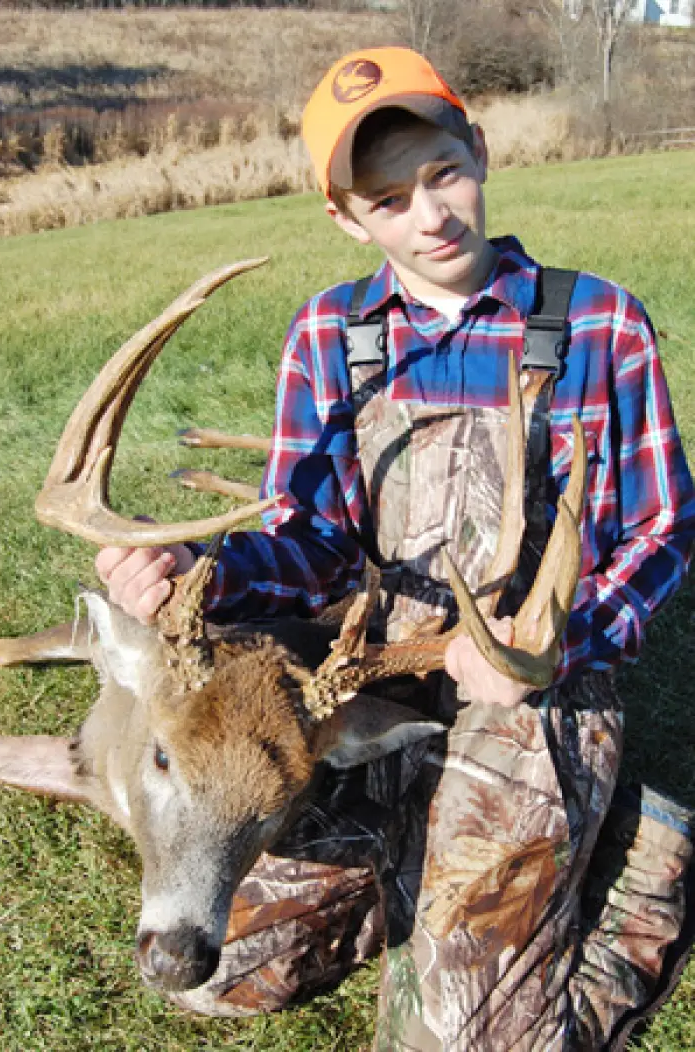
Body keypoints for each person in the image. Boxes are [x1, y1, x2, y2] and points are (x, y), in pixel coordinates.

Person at [96, 46, 695, 1051]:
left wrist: (551, 641)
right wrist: (193, 580)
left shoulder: (597, 320)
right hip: (367, 688)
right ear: (346, 216)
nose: (429, 214)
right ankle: (442, 869)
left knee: (454, 1042)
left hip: (535, 695)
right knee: (221, 971)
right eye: (387, 198)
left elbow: (663, 529)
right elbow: (313, 542)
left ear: (480, 151)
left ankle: (647, 860)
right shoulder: (331, 332)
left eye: (441, 172)